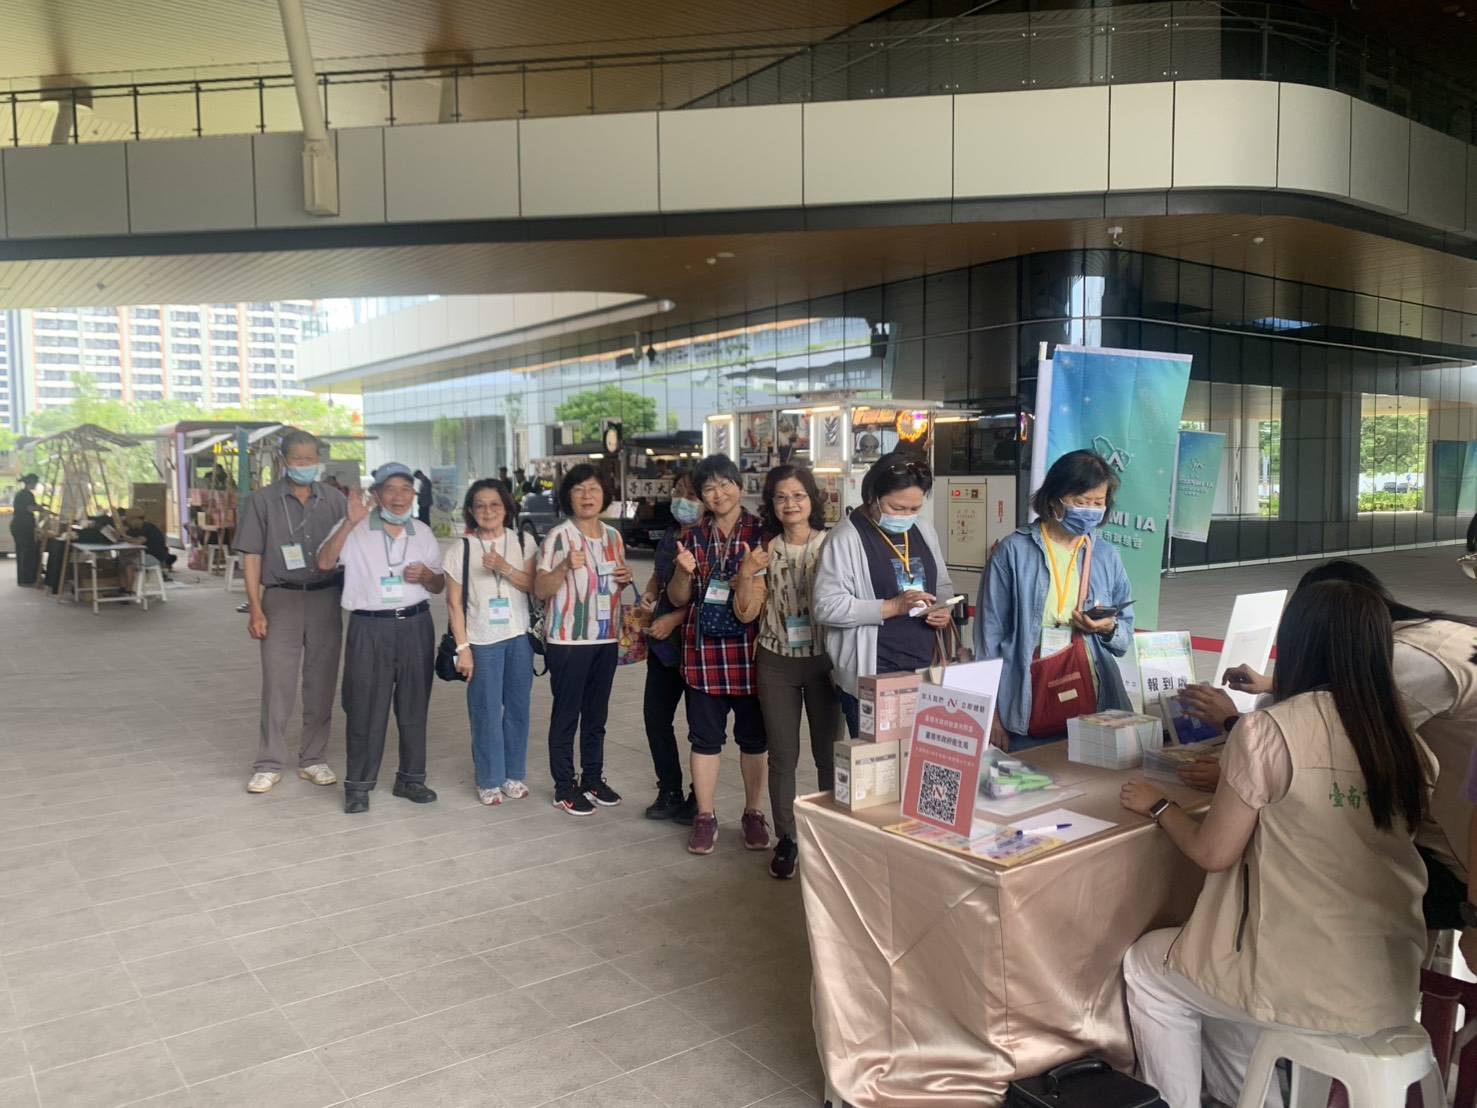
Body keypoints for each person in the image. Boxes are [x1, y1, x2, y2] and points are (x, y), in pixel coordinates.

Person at [1119, 580, 1432, 1108]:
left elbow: (1213, 854)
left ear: (1297, 644)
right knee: (1218, 974)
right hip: (1392, 979)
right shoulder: (1403, 739)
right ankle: (1252, 1098)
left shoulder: (1268, 729)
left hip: (1301, 979)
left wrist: (1159, 805)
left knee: (1150, 967)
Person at [1175, 559, 1477, 950]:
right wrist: (1271, 683)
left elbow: (1319, 746)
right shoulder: (1430, 634)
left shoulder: (1406, 662)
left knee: (1298, 850)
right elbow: (1351, 691)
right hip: (1448, 831)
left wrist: (1233, 726)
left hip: (1458, 867)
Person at [973, 449, 1134, 746]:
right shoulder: (1013, 552)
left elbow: (1124, 638)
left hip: (1095, 702)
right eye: (1080, 502)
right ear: (1053, 499)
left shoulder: (1105, 555)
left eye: (1098, 503)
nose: (1090, 510)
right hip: (1026, 700)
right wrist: (991, 714)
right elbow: (988, 638)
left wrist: (1108, 628)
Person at [316, 461, 444, 814]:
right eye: (390, 489)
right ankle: (358, 786)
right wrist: (349, 523)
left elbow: (438, 585)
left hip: (416, 624)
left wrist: (427, 576)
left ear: (414, 495)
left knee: (414, 705)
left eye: (406, 489)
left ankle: (411, 779)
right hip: (369, 628)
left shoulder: (422, 532)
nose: (399, 497)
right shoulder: (355, 528)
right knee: (364, 707)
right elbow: (323, 563)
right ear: (376, 494)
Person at [735, 463, 841, 880]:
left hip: (825, 660)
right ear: (771, 504)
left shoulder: (833, 545)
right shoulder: (764, 549)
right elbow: (746, 612)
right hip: (776, 659)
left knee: (828, 753)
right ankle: (788, 838)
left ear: (813, 499)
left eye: (798, 495)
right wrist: (746, 573)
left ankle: (830, 834)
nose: (790, 504)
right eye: (781, 497)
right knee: (783, 754)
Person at [232, 431, 349, 794]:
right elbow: (252, 556)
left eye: (310, 459)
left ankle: (313, 758)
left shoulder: (335, 500)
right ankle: (269, 762)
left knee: (321, 682)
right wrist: (255, 608)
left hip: (326, 597)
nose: (304, 465)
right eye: (298, 460)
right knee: (277, 683)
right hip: (281, 598)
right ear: (284, 461)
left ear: (319, 460)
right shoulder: (262, 501)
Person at [668, 454, 769, 855]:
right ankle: (705, 816)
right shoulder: (693, 537)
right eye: (709, 488)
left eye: (725, 484)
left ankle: (753, 813)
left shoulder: (762, 533)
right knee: (705, 740)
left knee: (754, 740)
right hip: (704, 655)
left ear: (739, 486)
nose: (718, 493)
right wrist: (682, 571)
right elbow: (679, 597)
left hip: (751, 653)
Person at [814, 453, 956, 738]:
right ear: (873, 496)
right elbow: (825, 606)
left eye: (914, 507)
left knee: (922, 755)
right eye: (897, 507)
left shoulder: (923, 529)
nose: (906, 516)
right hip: (875, 672)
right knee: (880, 760)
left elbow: (941, 584)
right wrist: (892, 607)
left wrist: (943, 609)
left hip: (925, 669)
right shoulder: (846, 537)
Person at [534, 463, 630, 815]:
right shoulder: (558, 537)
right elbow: (540, 589)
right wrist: (563, 566)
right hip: (567, 641)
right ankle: (564, 786)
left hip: (605, 638)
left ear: (605, 494)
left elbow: (612, 584)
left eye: (594, 488)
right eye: (579, 489)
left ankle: (592, 779)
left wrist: (624, 577)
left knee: (596, 716)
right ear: (568, 496)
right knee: (566, 715)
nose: (587, 495)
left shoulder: (613, 537)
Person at [445, 480, 537, 806]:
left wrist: (505, 567)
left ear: (507, 507)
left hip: (519, 637)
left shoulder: (523, 541)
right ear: (471, 511)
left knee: (518, 709)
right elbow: (453, 604)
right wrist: (463, 648)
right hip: (482, 640)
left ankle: (513, 774)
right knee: (485, 711)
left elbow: (533, 586)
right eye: (480, 505)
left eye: (495, 504)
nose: (488, 511)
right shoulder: (461, 549)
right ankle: (488, 778)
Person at [640, 471, 699, 822]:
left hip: (696, 647)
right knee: (656, 718)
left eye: (691, 495)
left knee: (699, 728)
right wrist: (650, 592)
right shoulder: (671, 534)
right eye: (678, 492)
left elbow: (712, 595)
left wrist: (674, 619)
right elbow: (657, 574)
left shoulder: (709, 538)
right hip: (662, 649)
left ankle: (699, 796)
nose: (682, 500)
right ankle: (670, 789)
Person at [10, 473, 40, 586]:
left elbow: (32, 506)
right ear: (31, 483)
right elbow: (30, 508)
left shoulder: (25, 494)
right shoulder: (25, 495)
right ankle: (26, 580)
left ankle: (24, 579)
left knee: (24, 552)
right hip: (22, 527)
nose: (36, 485)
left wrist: (39, 507)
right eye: (35, 483)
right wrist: (41, 509)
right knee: (26, 553)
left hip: (20, 526)